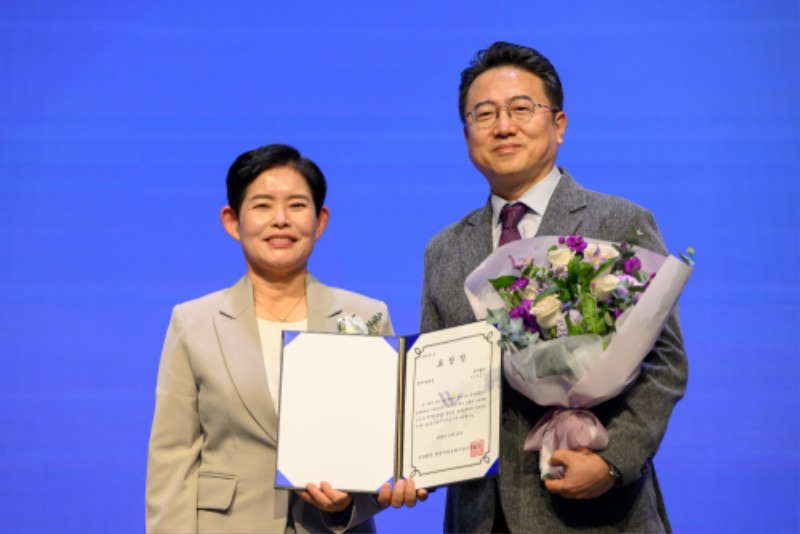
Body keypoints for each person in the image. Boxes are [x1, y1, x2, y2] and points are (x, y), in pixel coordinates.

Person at [420, 42, 688, 532]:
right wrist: (404, 466)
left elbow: (666, 364)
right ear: (466, 135)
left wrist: (612, 462)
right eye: (484, 114)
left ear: (559, 125)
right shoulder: (443, 250)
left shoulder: (619, 221)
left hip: (598, 511)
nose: (503, 125)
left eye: (521, 108)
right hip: (480, 518)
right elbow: (436, 385)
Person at [146, 143, 427, 533]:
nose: (280, 220)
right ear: (232, 221)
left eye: (296, 205)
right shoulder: (193, 322)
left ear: (320, 220)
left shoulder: (365, 316)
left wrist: (347, 505)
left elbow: (382, 453)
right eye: (262, 206)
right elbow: (172, 461)